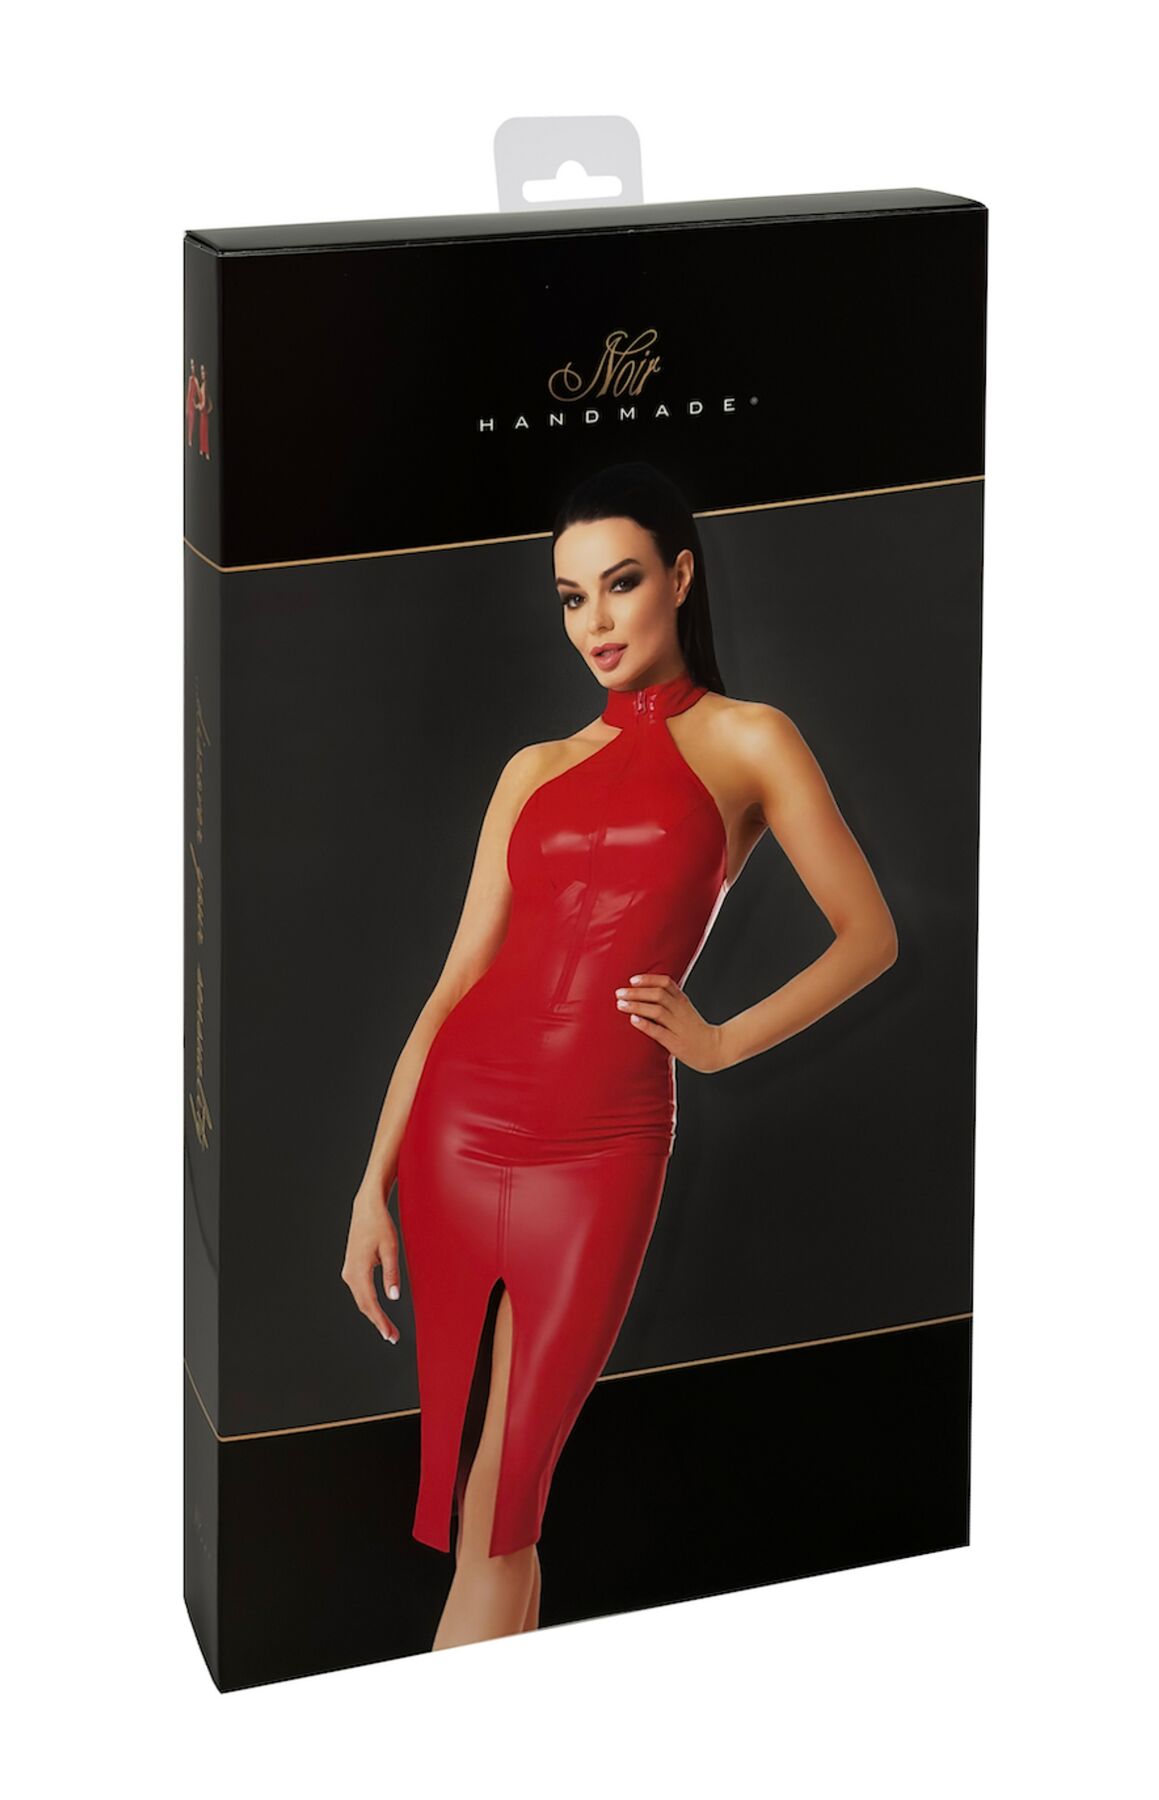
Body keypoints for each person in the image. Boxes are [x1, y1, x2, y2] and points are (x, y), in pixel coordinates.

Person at [341, 460, 898, 1652]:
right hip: (456, 1130)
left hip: (601, 1147)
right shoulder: (530, 769)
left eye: (621, 582)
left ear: (681, 576)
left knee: (505, 1499)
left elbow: (870, 935)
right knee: (493, 1513)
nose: (594, 620)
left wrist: (721, 1042)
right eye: (570, 596)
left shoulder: (751, 740)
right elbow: (453, 985)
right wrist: (366, 1188)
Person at [185, 358, 198, 448]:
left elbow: (199, 393)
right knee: (188, 421)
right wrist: (186, 406)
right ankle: (189, 439)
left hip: (193, 404)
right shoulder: (190, 379)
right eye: (191, 365)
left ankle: (191, 439)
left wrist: (196, 404)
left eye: (193, 365)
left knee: (192, 422)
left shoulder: (196, 380)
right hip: (189, 403)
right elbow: (188, 393)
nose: (192, 367)